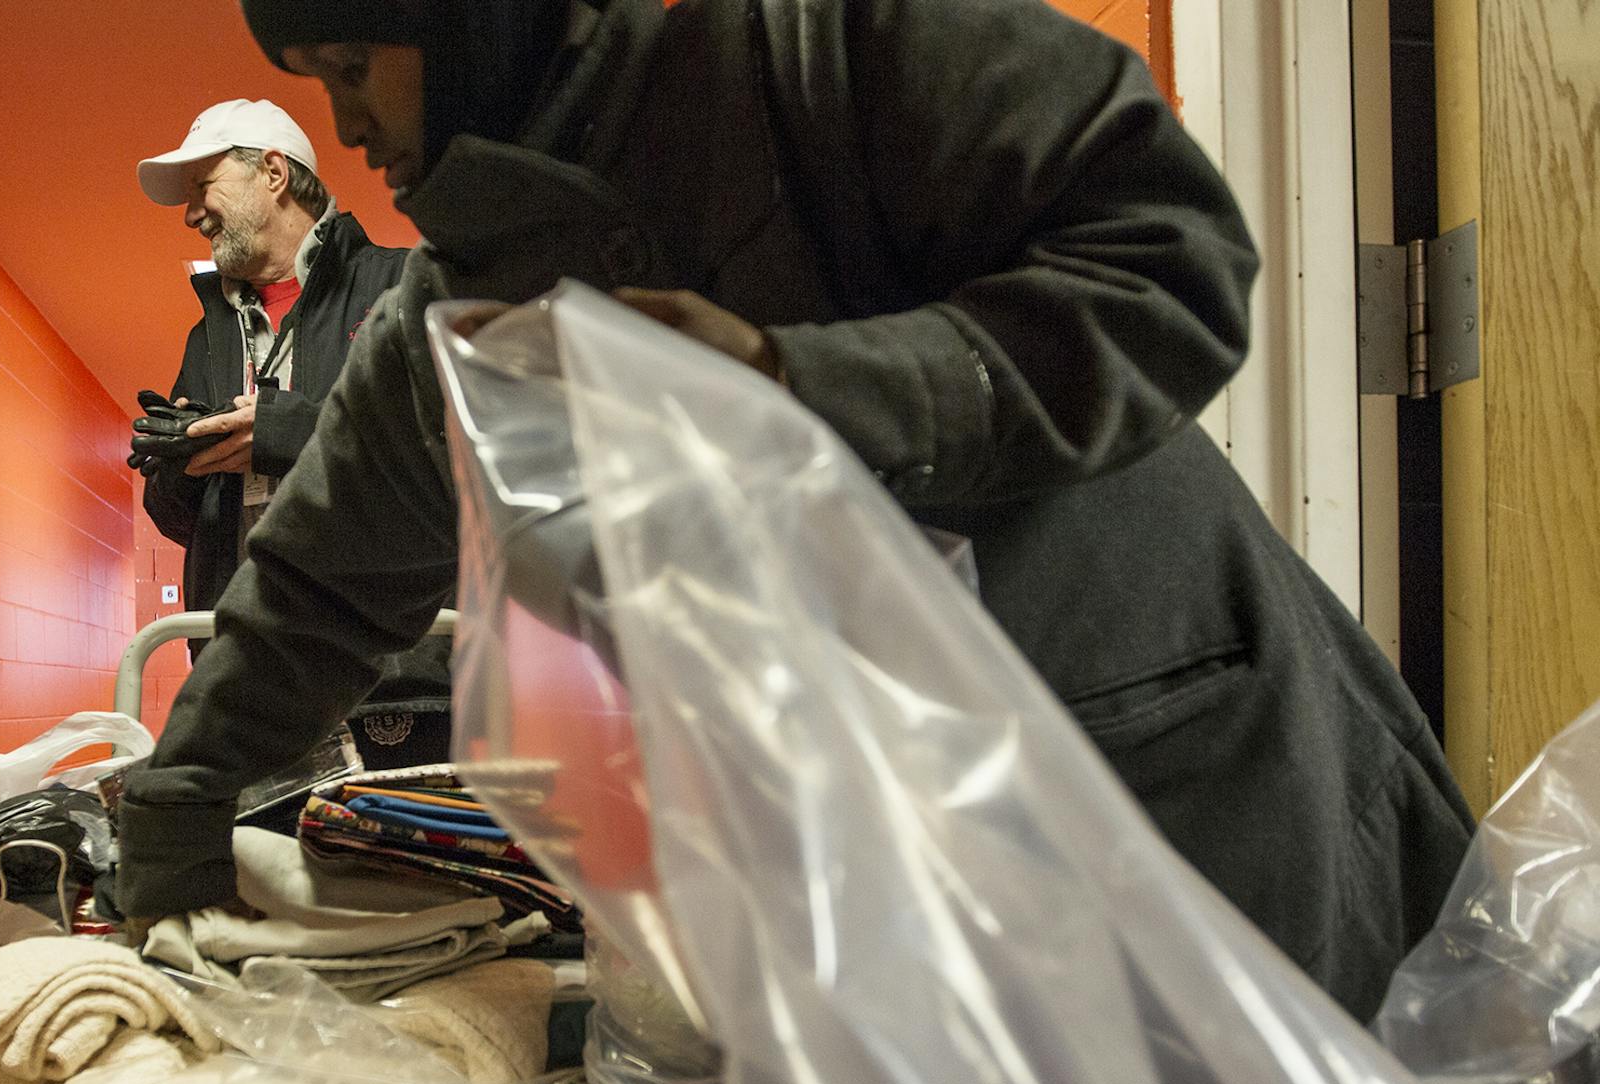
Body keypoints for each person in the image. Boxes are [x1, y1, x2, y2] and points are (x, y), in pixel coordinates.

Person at [114, 0, 1475, 1023]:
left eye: (356, 63)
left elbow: (1169, 258)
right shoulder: (449, 334)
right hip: (892, 895)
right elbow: (313, 593)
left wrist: (797, 387)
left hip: (1185, 783)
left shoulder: (828, 52)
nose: (348, 126)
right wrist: (175, 815)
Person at [132, 99, 443, 767]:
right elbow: (180, 521)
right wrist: (178, 463)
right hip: (246, 685)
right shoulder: (206, 334)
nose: (190, 214)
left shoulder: (402, 285)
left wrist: (286, 431)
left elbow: (445, 451)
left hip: (388, 681)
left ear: (273, 173)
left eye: (203, 186)